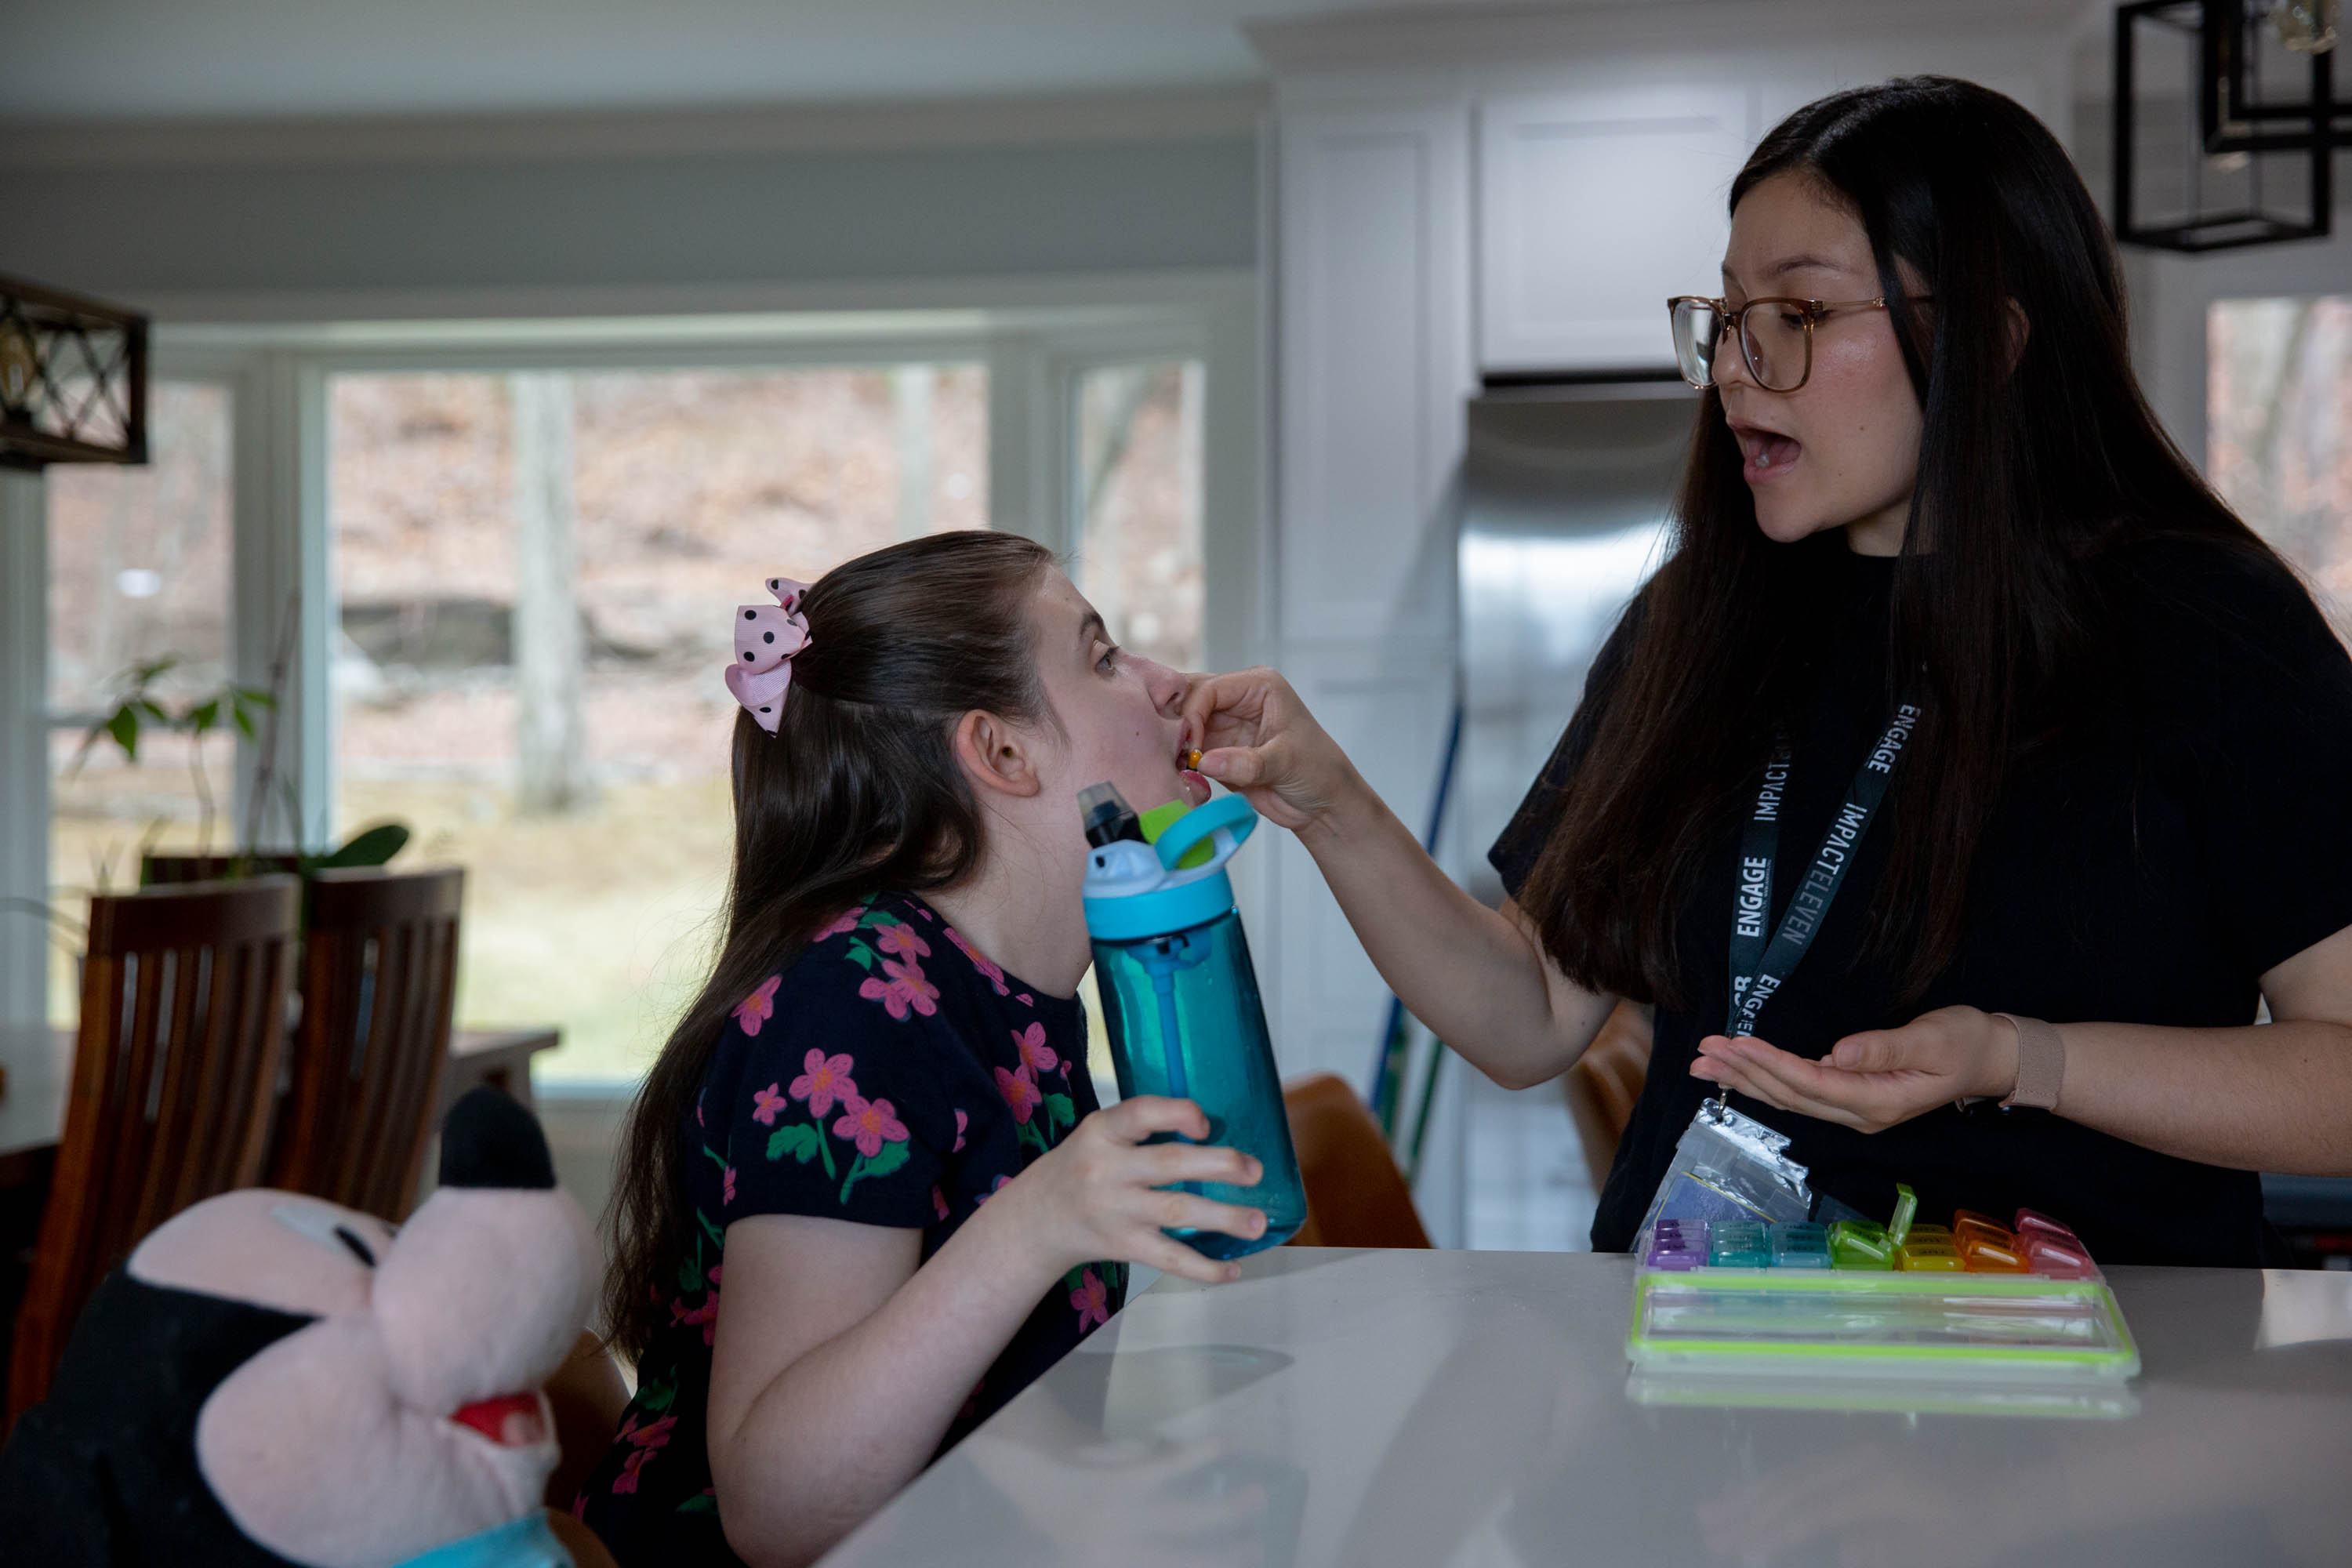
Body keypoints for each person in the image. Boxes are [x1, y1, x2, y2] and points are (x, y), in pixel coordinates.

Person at [1182, 76, 2352, 1268]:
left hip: (2092, 1397)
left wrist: (2025, 1060)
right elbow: (1531, 1010)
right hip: (1703, 1378)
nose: (1738, 367)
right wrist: (1331, 805)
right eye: (1730, 316)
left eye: (1799, 311)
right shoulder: (1695, 618)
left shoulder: (2203, 624)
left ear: (1985, 342)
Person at [581, 532, 1267, 1568]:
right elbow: (775, 1508)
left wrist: (1067, 1494)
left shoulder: (1011, 1000)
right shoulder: (853, 1006)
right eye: (1105, 656)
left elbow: (959, 1381)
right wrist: (1039, 1221)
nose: (1172, 687)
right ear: (1000, 753)